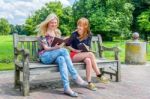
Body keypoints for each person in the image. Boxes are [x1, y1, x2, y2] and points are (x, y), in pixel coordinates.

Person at [36, 13, 87, 97]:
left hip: (55, 55)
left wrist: (62, 43)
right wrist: (56, 48)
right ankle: (75, 76)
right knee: (63, 51)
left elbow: (59, 46)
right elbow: (45, 48)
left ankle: (66, 88)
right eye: (52, 22)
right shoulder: (43, 33)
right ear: (48, 22)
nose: (54, 24)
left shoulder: (57, 32)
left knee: (61, 59)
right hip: (45, 56)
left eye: (55, 22)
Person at [66, 18, 109, 91]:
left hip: (84, 54)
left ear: (85, 26)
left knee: (88, 60)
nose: (79, 27)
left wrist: (85, 48)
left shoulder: (89, 34)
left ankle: (89, 83)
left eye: (81, 25)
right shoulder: (74, 34)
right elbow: (67, 45)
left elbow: (88, 46)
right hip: (74, 55)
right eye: (78, 25)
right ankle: (99, 74)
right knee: (90, 54)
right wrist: (75, 50)